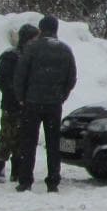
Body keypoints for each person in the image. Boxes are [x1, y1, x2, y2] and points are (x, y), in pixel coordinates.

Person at [13, 14, 77, 193]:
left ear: (41, 29)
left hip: (32, 102)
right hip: (54, 104)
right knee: (53, 143)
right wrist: (61, 95)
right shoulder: (65, 49)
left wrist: (22, 97)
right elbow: (71, 78)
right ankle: (53, 180)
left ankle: (25, 180)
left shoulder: (31, 48)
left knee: (28, 142)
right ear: (56, 29)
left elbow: (20, 75)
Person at [0, 23, 40, 183]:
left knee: (22, 140)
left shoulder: (31, 56)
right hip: (11, 104)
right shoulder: (10, 56)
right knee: (7, 137)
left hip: (27, 104)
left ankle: (17, 171)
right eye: (34, 38)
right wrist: (15, 94)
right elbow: (1, 80)